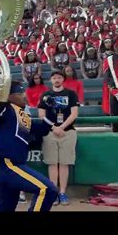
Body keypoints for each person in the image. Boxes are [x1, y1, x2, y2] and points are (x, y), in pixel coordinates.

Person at [0, 80, 58, 211]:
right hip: (7, 164)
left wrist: (50, 109)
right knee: (47, 189)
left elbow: (43, 129)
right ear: (8, 96)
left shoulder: (23, 115)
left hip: (14, 165)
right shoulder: (4, 108)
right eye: (20, 93)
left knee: (4, 208)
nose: (24, 95)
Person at [38, 71, 79, 206]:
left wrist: (61, 127)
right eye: (54, 78)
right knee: (52, 163)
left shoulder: (71, 94)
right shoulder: (45, 95)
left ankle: (62, 192)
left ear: (63, 79)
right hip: (50, 133)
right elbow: (41, 115)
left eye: (59, 77)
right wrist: (53, 128)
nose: (56, 80)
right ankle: (54, 192)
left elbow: (74, 114)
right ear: (51, 80)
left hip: (68, 133)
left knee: (64, 163)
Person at [104, 38, 118, 132]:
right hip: (116, 92)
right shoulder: (109, 60)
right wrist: (114, 89)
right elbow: (107, 77)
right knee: (116, 120)